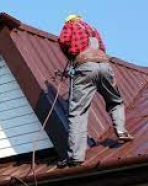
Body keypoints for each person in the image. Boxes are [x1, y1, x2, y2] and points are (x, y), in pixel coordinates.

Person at [57, 14, 133, 168]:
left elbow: (63, 40)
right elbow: (103, 49)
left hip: (85, 67)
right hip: (104, 66)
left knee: (77, 112)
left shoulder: (70, 26)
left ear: (70, 20)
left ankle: (75, 157)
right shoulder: (92, 29)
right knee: (116, 100)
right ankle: (121, 130)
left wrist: (70, 56)